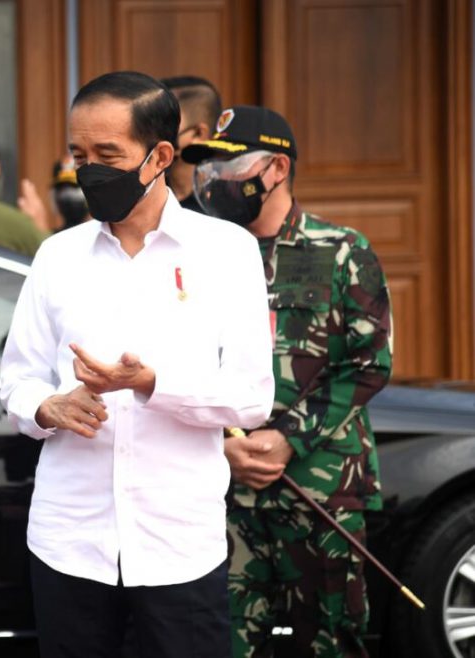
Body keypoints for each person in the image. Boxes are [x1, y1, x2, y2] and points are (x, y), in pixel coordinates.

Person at [0, 70, 275, 658]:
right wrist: (47, 407)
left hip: (179, 548)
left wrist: (152, 384)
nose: (89, 169)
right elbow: (17, 381)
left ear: (160, 156)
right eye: (79, 154)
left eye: (107, 154)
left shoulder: (226, 252)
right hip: (70, 544)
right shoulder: (57, 257)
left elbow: (251, 396)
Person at [182, 105, 393, 658]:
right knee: (221, 641)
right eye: (209, 170)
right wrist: (225, 446)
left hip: (321, 491)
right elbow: (179, 364)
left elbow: (368, 363)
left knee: (326, 641)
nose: (215, 182)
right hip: (224, 495)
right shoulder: (198, 259)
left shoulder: (341, 252)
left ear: (275, 169)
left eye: (230, 167)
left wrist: (285, 439)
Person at [161, 76, 222, 212]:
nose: (153, 132)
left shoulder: (224, 203)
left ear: (198, 134)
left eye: (166, 123)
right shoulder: (144, 196)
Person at [51, 155, 89, 229]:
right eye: (62, 189)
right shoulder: (51, 239)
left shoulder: (106, 237)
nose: (68, 195)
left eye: (75, 188)